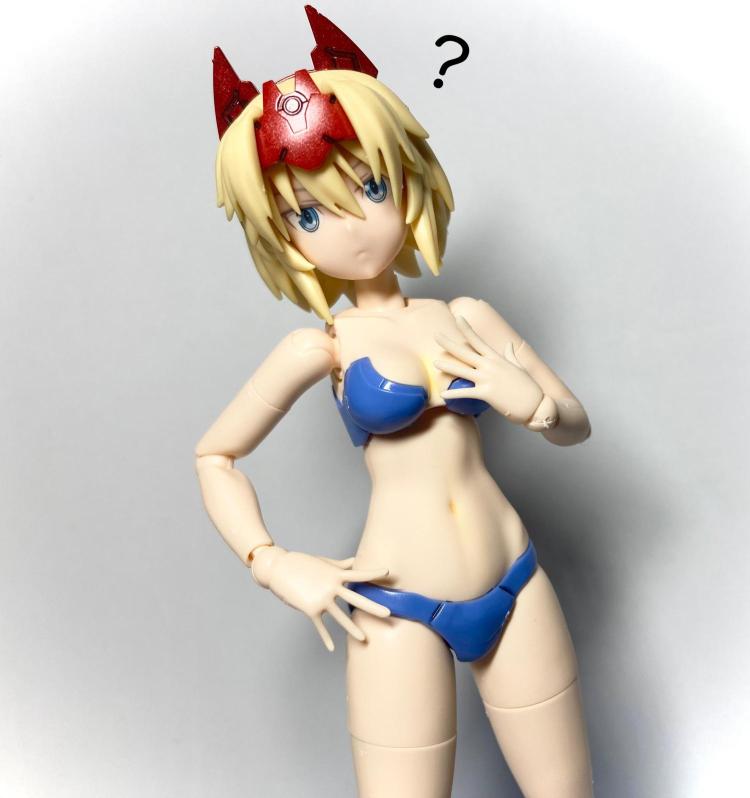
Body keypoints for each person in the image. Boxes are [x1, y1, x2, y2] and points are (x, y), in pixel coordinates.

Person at [196, 6, 594, 796]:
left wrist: (539, 408)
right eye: (308, 215)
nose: (350, 229)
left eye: (369, 187)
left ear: (405, 175)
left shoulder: (468, 316)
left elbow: (575, 425)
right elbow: (216, 455)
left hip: (516, 580)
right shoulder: (322, 347)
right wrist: (272, 564)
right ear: (283, 237)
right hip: (395, 605)